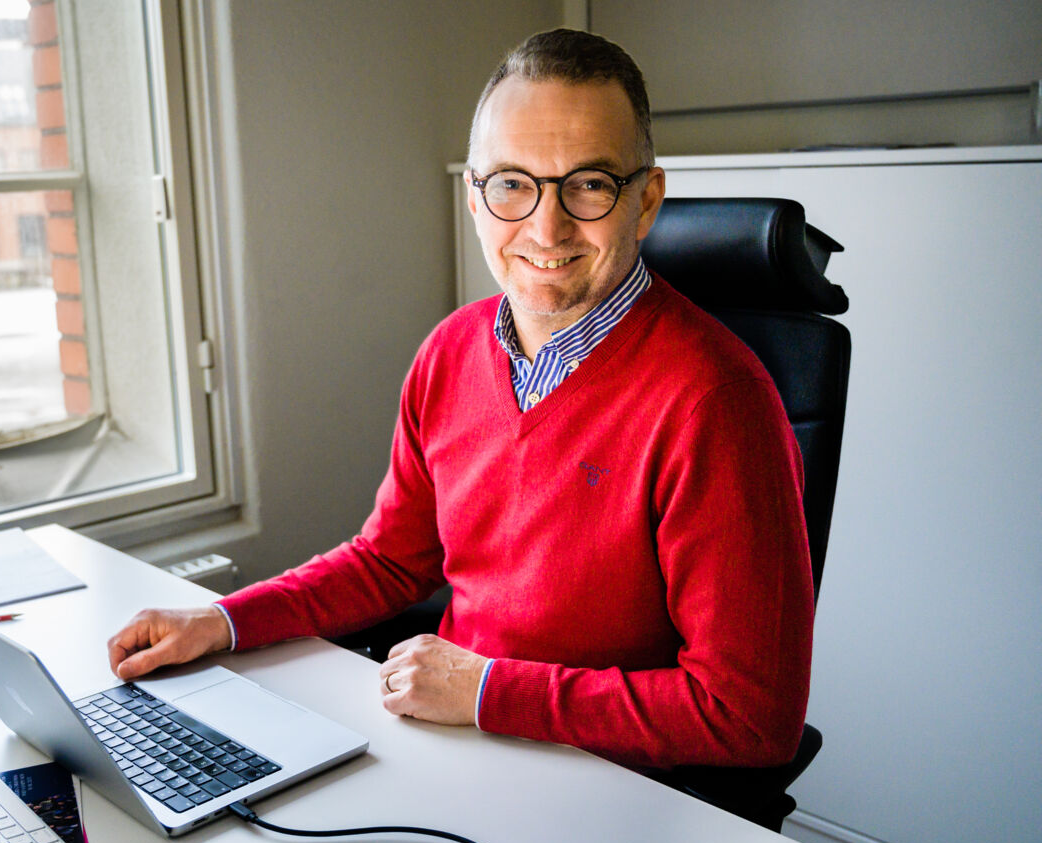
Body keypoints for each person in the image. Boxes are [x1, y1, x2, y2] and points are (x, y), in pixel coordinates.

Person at [107, 28, 814, 771]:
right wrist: (221, 620)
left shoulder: (717, 402)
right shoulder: (449, 351)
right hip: (453, 743)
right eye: (512, 182)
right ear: (474, 197)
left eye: (590, 184)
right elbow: (388, 561)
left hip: (607, 780)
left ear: (645, 203)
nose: (547, 226)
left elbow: (749, 716)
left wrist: (486, 691)